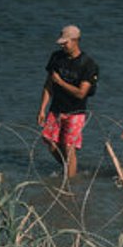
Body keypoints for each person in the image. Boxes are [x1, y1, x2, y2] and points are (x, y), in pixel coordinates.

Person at [38, 24, 99, 180]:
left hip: (76, 112)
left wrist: (60, 82)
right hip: (56, 109)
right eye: (61, 43)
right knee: (50, 143)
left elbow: (81, 93)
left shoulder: (88, 64)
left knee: (68, 147)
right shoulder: (56, 58)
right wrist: (42, 109)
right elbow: (48, 85)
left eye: (66, 42)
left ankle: (70, 182)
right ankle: (69, 169)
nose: (62, 45)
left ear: (76, 40)